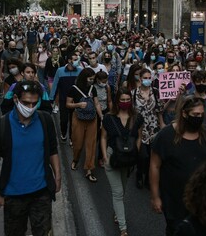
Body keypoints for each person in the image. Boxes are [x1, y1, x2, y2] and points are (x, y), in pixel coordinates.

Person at [0, 80, 61, 236]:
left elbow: (53, 150)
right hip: (13, 196)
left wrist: (57, 177)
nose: (30, 108)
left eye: (34, 103)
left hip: (41, 193)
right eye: (26, 103)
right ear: (15, 99)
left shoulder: (46, 121)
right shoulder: (0, 126)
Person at [150, 95, 206, 235]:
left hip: (201, 198)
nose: (199, 117)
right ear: (184, 113)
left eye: (201, 114)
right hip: (174, 200)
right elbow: (155, 166)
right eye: (195, 114)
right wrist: (155, 196)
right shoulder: (166, 136)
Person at [101, 90, 143, 236]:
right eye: (122, 99)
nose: (125, 101)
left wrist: (136, 153)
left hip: (129, 159)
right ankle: (123, 229)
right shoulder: (108, 118)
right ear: (117, 101)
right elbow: (103, 137)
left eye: (127, 99)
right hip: (113, 158)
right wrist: (105, 155)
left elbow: (139, 137)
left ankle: (117, 213)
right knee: (118, 192)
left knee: (122, 190)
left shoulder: (137, 118)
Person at [67, 68, 102, 182]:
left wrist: (101, 117)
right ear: (84, 77)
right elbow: (68, 104)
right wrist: (78, 104)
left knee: (91, 145)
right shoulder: (73, 89)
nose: (92, 81)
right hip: (78, 119)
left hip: (92, 119)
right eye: (90, 78)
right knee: (78, 144)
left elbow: (96, 103)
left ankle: (89, 169)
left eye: (93, 79)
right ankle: (75, 159)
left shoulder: (93, 89)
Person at [133, 68, 163, 187]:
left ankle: (148, 178)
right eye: (144, 78)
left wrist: (161, 123)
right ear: (140, 79)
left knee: (152, 155)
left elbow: (159, 109)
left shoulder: (155, 92)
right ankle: (139, 173)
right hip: (140, 128)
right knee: (142, 155)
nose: (147, 80)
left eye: (149, 78)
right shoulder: (133, 93)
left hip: (153, 127)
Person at [50, 52, 82, 144]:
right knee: (63, 120)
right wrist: (51, 99)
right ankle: (63, 133)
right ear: (69, 61)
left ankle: (72, 138)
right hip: (63, 100)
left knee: (74, 121)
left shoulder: (80, 71)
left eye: (77, 59)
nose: (77, 62)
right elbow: (55, 85)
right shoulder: (60, 71)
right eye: (75, 60)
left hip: (75, 101)